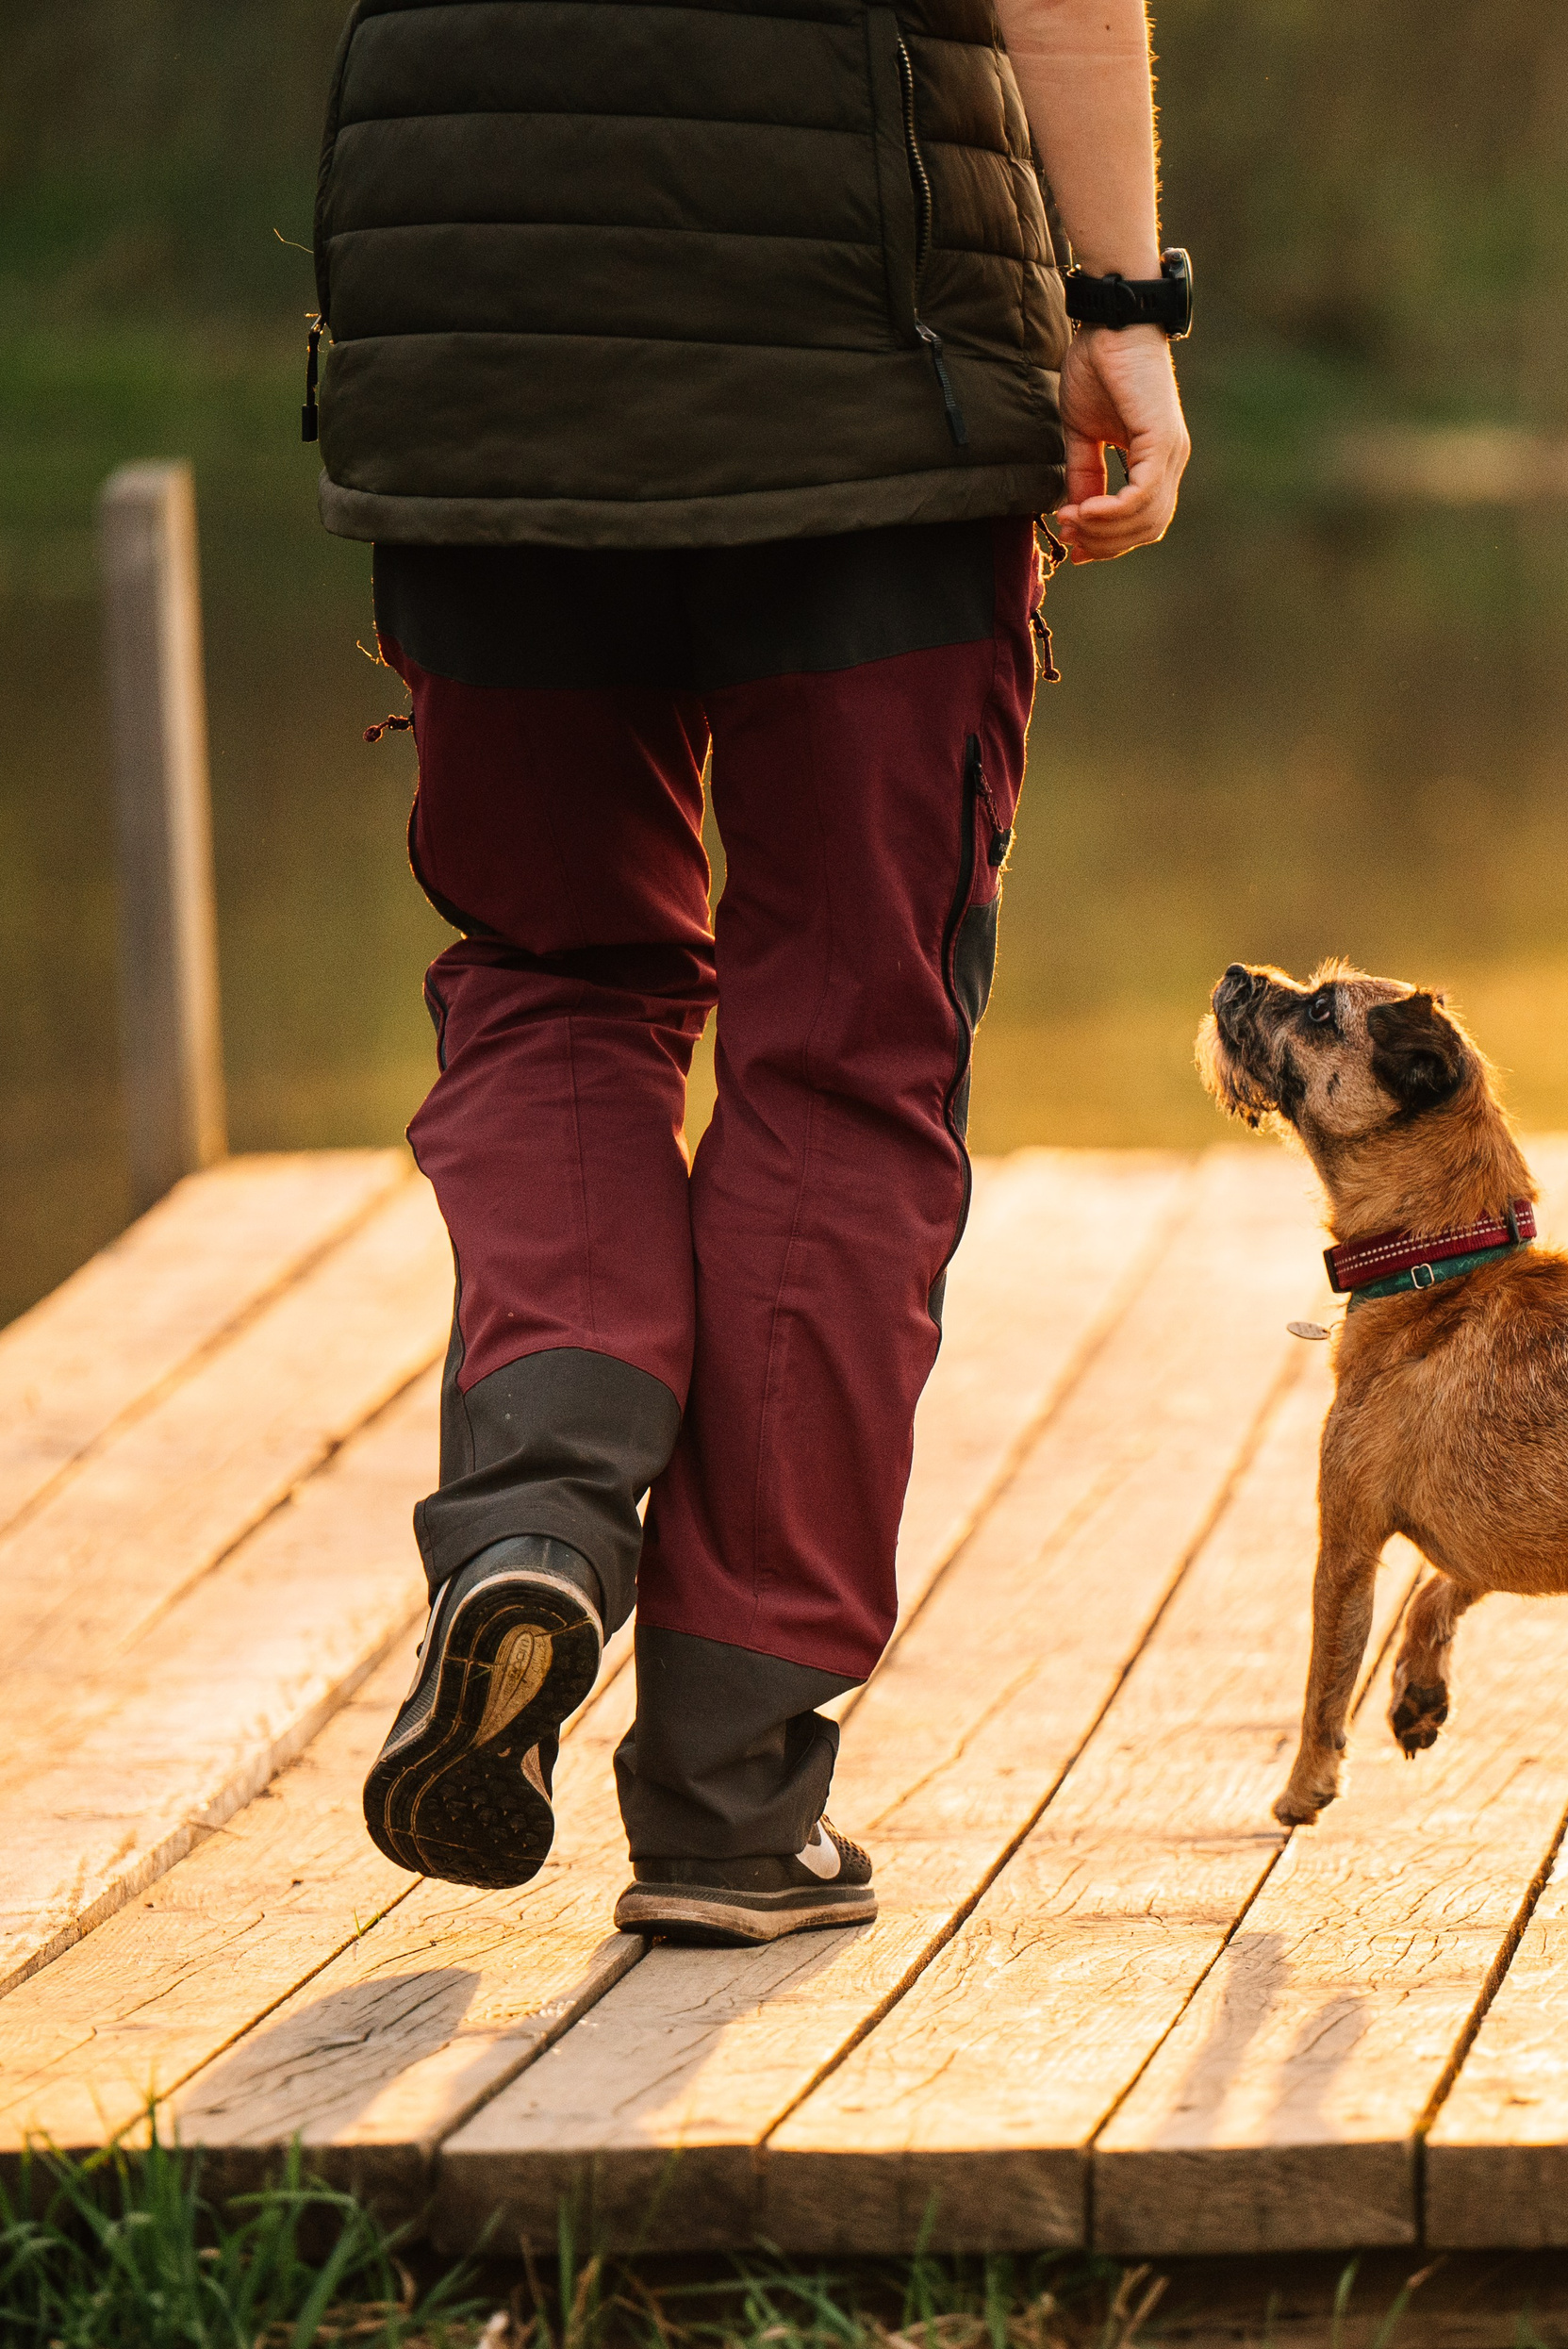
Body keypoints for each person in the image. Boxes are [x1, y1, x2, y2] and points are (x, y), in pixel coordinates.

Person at [304, 0, 1192, 1944]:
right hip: (867, 380)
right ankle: (729, 1794)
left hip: (476, 362)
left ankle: (537, 1519)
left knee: (554, 972)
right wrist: (1120, 303)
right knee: (843, 1051)